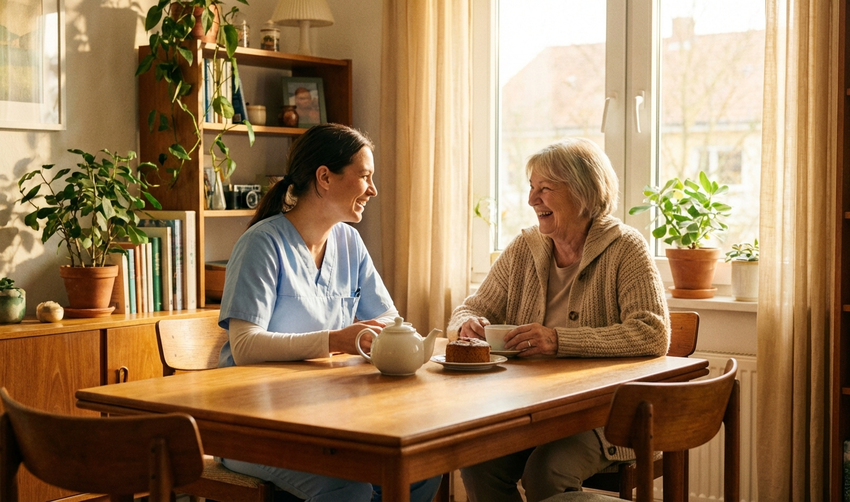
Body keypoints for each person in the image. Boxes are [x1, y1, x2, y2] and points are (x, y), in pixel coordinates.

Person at [216, 123, 442, 502]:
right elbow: (244, 346)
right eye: (365, 177)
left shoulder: (348, 240)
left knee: (421, 472)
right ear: (324, 177)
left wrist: (375, 332)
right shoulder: (262, 244)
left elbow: (389, 319)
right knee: (348, 487)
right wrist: (335, 340)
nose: (372, 190)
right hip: (254, 426)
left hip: (327, 417)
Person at [448, 137, 670, 502]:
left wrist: (558, 340)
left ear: (583, 192)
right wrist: (467, 325)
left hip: (606, 417)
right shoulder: (525, 247)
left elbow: (652, 333)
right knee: (478, 464)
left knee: (546, 473)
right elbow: (469, 308)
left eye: (545, 189)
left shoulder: (626, 247)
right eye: (532, 188)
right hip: (533, 410)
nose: (533, 200)